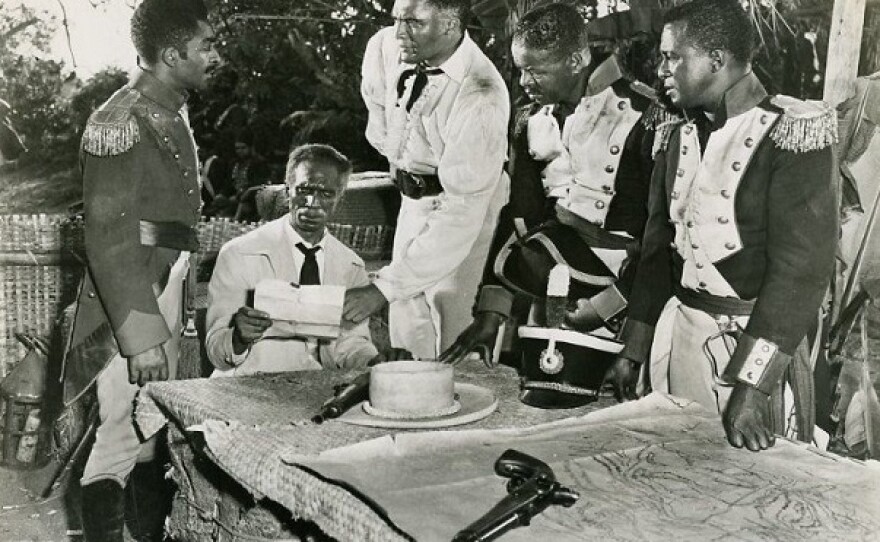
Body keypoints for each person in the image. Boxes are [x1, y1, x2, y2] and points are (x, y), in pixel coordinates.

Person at [616, 0, 837, 452]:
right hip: (679, 339)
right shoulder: (675, 134)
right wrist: (634, 346)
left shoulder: (791, 135)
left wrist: (753, 387)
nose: (660, 70)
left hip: (751, 352)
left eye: (672, 56)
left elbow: (801, 274)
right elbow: (658, 251)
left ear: (716, 59)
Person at [440, 4, 666, 395]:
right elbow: (520, 216)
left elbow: (663, 238)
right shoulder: (530, 119)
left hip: (628, 300)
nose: (525, 81)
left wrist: (611, 307)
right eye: (520, 69)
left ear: (577, 59)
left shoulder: (647, 115)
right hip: (549, 290)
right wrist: (492, 312)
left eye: (538, 70)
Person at [60, 0, 219, 539]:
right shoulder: (119, 120)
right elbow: (107, 238)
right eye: (207, 46)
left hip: (167, 280)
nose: (215, 56)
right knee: (119, 437)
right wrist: (141, 338)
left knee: (149, 432)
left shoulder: (169, 108)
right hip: (131, 298)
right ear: (172, 55)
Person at [345, 0, 510, 360]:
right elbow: (378, 114)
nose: (399, 32)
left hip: (471, 209)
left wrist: (382, 289)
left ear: (451, 25)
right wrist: (402, 161)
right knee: (407, 321)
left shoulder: (482, 94)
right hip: (413, 199)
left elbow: (461, 209)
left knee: (456, 326)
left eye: (414, 23)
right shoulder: (385, 47)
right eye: (396, 19)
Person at [205, 144, 386, 374]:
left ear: (340, 197)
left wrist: (374, 362)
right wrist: (238, 337)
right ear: (287, 189)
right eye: (304, 190)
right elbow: (216, 352)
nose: (312, 204)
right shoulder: (239, 254)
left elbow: (350, 346)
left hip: (312, 391)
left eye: (326, 193)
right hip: (245, 389)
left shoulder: (350, 266)